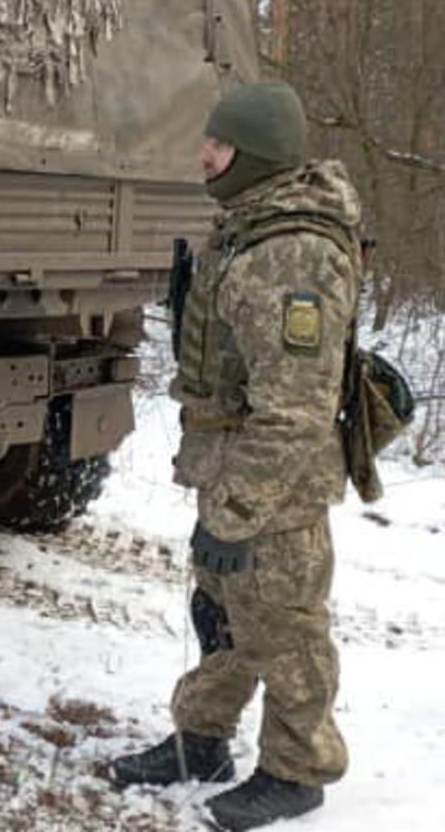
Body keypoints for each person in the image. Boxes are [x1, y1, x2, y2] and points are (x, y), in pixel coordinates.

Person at [107, 81, 363, 831]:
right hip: (229, 466)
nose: (203, 157)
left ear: (253, 155)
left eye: (217, 147)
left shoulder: (294, 256)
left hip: (273, 481)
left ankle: (298, 770)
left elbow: (296, 410)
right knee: (221, 611)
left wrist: (241, 508)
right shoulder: (249, 228)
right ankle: (201, 740)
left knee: (283, 625)